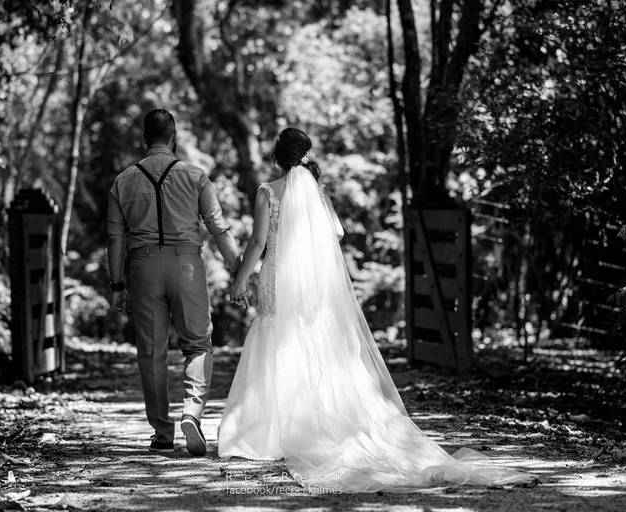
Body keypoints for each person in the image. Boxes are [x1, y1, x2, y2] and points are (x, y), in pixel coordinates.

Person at [217, 127, 527, 492]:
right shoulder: (316, 191)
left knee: (276, 336)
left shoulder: (268, 192)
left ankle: (269, 433)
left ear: (276, 158)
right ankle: (318, 424)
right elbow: (337, 233)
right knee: (311, 337)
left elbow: (258, 241)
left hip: (278, 277)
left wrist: (240, 280)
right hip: (314, 282)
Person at [107, 109, 240, 456]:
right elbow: (218, 228)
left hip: (143, 268)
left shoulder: (123, 181)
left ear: (144, 139)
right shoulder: (195, 176)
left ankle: (162, 432)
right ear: (173, 136)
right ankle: (191, 412)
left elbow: (115, 239)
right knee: (197, 344)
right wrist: (240, 271)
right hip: (187, 266)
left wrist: (117, 285)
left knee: (151, 352)